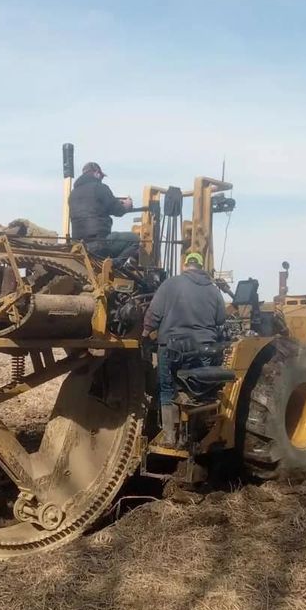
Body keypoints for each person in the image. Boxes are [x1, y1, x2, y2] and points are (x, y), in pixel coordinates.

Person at [143, 251, 226, 445]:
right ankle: (191, 437)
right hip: (202, 347)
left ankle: (170, 436)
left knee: (166, 389)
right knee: (198, 392)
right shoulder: (214, 290)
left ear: (185, 265)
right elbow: (220, 319)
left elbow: (154, 313)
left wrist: (146, 332)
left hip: (171, 346)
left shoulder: (170, 284)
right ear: (201, 267)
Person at [69, 162, 139, 262]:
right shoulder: (100, 187)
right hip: (99, 244)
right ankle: (114, 267)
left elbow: (92, 209)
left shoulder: (73, 194)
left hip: (78, 245)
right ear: (97, 173)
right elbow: (118, 210)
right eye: (101, 176)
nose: (101, 179)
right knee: (135, 239)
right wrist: (126, 205)